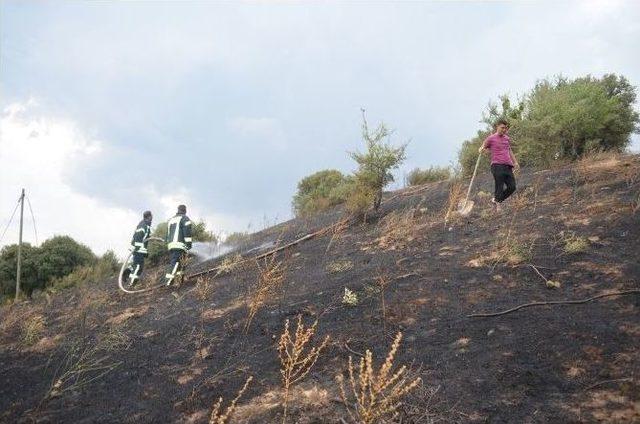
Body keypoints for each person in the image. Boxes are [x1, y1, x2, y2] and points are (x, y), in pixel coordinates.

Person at [479, 119, 520, 212]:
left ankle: (496, 200)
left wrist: (515, 162)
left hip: (508, 166)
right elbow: (482, 148)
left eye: (505, 128)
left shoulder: (507, 138)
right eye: (502, 128)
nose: (504, 130)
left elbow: (509, 150)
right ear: (497, 127)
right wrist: (481, 149)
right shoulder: (491, 138)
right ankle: (498, 207)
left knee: (512, 187)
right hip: (497, 165)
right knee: (499, 186)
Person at [165, 204, 193, 286]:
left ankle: (179, 280)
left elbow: (167, 234)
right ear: (185, 211)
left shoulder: (171, 220)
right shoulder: (185, 219)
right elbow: (187, 233)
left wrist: (168, 244)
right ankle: (169, 282)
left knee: (181, 264)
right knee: (177, 263)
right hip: (180, 245)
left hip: (171, 245)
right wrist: (189, 245)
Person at [125, 210, 153, 288]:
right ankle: (131, 284)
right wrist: (140, 250)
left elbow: (143, 240)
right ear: (149, 217)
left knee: (136, 265)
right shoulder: (143, 226)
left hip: (139, 250)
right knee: (138, 267)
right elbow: (138, 239)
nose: (152, 217)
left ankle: (127, 272)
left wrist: (145, 251)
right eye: (151, 216)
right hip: (138, 250)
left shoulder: (145, 225)